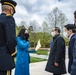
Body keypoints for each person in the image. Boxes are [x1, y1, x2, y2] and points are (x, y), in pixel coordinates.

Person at [0, 0, 17, 75]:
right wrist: (13, 53)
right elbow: (11, 41)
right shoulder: (9, 19)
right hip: (4, 60)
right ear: (11, 10)